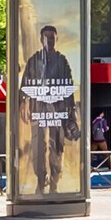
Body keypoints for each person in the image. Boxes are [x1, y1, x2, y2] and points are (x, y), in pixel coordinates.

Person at [18, 23, 77, 194]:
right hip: (39, 110)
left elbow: (69, 87)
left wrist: (70, 111)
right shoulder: (34, 60)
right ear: (40, 39)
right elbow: (24, 86)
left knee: (56, 146)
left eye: (52, 37)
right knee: (39, 146)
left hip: (57, 112)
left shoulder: (62, 61)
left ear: (56, 39)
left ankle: (54, 184)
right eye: (46, 37)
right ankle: (40, 181)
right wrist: (23, 103)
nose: (49, 40)